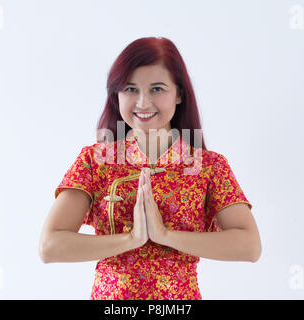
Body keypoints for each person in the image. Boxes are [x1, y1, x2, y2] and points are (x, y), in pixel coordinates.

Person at [38, 37, 262, 300]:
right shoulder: (94, 161)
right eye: (130, 89)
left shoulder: (209, 166)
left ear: (179, 93)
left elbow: (249, 246)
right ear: (116, 94)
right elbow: (50, 246)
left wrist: (165, 235)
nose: (143, 103)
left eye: (157, 89)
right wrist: (131, 239)